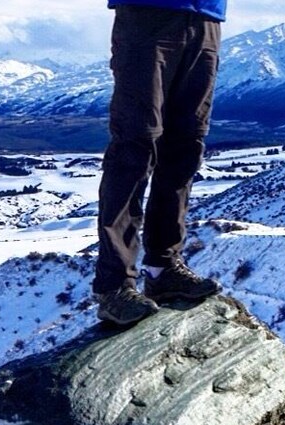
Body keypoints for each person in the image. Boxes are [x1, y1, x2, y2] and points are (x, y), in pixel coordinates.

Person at [92, 0, 227, 326]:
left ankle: (164, 268)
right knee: (135, 145)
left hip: (206, 18)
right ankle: (114, 286)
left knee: (186, 145)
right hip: (147, 14)